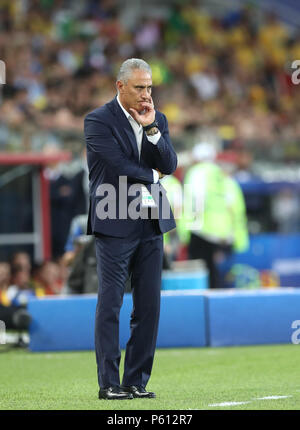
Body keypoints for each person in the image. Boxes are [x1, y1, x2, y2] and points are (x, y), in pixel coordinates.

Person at [84, 58, 177, 400]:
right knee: (111, 303)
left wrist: (152, 130)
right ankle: (108, 383)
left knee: (149, 305)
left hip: (151, 221)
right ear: (120, 86)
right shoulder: (97, 120)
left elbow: (170, 163)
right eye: (139, 87)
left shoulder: (158, 118)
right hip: (114, 218)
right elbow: (116, 165)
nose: (146, 95)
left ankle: (135, 381)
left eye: (149, 87)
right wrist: (153, 176)